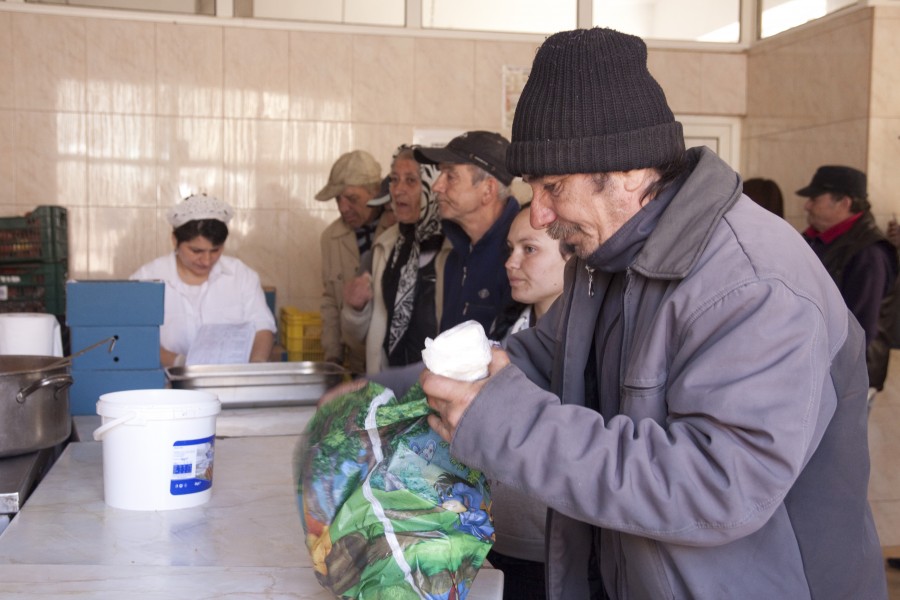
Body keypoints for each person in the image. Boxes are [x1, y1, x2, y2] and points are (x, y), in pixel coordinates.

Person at [414, 28, 886, 599]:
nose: (538, 215)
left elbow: (717, 488)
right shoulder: (609, 257)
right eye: (534, 188)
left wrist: (505, 425)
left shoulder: (753, 282)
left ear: (632, 173)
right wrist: (406, 390)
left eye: (554, 187)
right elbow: (540, 361)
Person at [487, 203, 571, 600]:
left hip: (549, 554)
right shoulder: (507, 325)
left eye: (529, 249)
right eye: (510, 248)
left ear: (572, 256)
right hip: (494, 538)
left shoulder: (585, 348)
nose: (510, 262)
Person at [130, 194, 276, 367]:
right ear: (175, 240)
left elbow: (262, 326)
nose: (206, 261)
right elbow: (136, 335)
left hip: (229, 382)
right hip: (167, 384)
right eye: (196, 251)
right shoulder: (147, 278)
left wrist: (257, 363)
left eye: (215, 250)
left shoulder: (241, 275)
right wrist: (180, 363)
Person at [341, 145, 450, 373]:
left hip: (438, 387)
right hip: (391, 388)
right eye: (394, 179)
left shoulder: (453, 246)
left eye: (411, 181)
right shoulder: (386, 246)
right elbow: (361, 337)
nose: (398, 190)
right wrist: (355, 309)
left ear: (433, 185)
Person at [799, 165, 899, 398]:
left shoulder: (869, 253)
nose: (807, 205)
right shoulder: (818, 240)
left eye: (814, 198)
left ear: (844, 202)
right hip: (819, 371)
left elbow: (859, 330)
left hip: (844, 381)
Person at [413, 131, 520, 334]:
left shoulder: (520, 258)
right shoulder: (455, 252)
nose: (436, 186)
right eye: (440, 174)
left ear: (488, 190)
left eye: (450, 176)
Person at [316, 150, 388, 374]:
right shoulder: (331, 238)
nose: (343, 207)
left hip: (391, 362)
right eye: (338, 199)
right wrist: (332, 355)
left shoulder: (396, 231)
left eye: (352, 199)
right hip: (356, 362)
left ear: (375, 192)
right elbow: (330, 300)